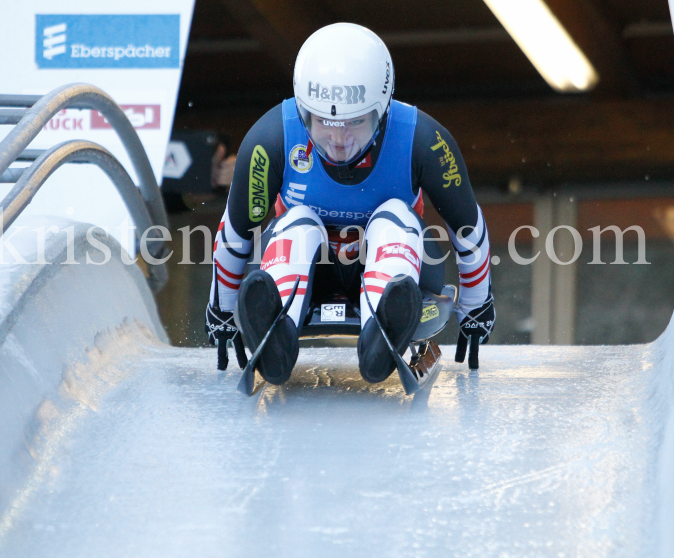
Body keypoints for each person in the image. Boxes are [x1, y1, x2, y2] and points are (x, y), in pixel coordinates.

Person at [205, 23, 495, 385]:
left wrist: (475, 304)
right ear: (302, 110)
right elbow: (235, 229)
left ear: (383, 108)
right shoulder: (271, 138)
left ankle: (383, 332)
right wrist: (224, 308)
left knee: (392, 215)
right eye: (323, 123)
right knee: (298, 220)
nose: (338, 140)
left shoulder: (425, 141)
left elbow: (467, 227)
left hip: (397, 270)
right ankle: (275, 339)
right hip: (309, 270)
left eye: (355, 123)